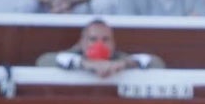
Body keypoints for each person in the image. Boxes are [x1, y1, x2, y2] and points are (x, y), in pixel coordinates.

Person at [35, 18, 165, 77]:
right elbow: (43, 61)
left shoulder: (119, 58)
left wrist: (124, 64)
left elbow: (158, 63)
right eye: (93, 39)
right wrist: (84, 64)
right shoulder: (73, 55)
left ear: (113, 43)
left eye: (105, 39)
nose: (99, 44)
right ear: (81, 43)